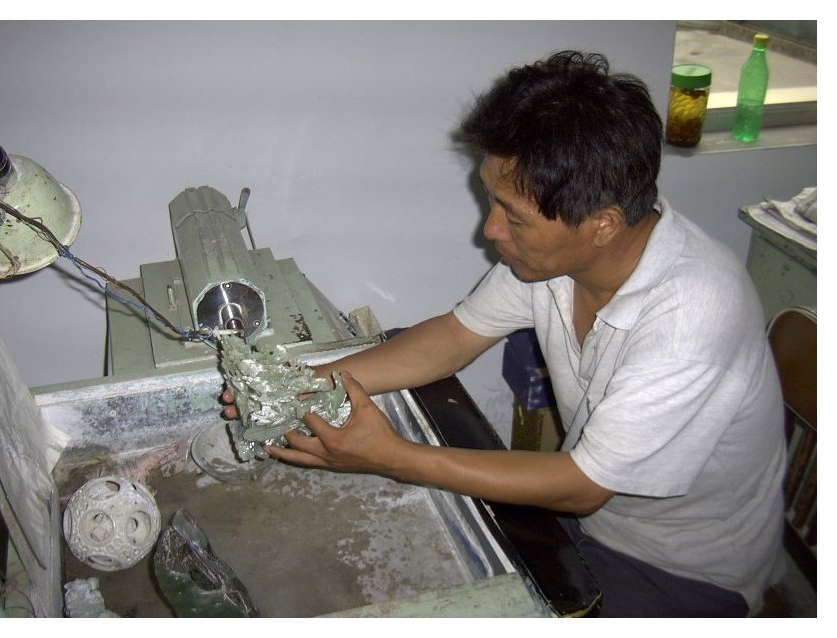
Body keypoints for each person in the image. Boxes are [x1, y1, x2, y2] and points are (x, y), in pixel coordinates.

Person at [222, 51, 786, 617]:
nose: (491, 230)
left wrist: (392, 457)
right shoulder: (554, 263)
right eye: (492, 200)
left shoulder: (690, 318)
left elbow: (583, 485)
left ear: (603, 225)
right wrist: (300, 382)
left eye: (513, 217)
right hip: (586, 518)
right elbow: (453, 336)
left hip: (682, 569)